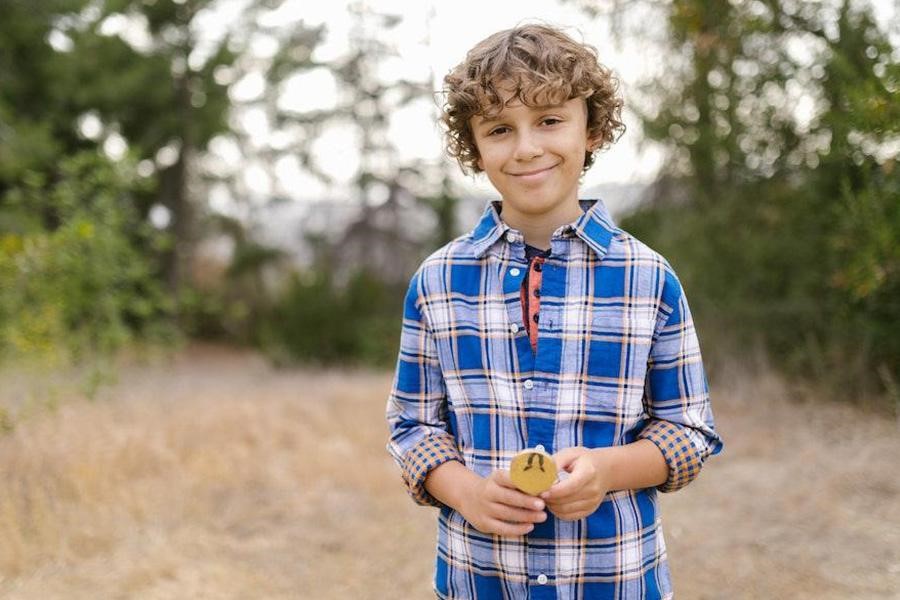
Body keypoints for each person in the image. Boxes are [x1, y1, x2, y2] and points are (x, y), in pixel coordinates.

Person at [386, 23, 722, 600]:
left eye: (549, 120)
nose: (526, 148)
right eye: (499, 129)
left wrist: (608, 471)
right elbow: (413, 426)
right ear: (475, 147)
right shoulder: (437, 283)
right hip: (480, 580)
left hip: (614, 581)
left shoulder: (649, 279)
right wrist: (465, 491)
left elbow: (689, 432)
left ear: (590, 129)